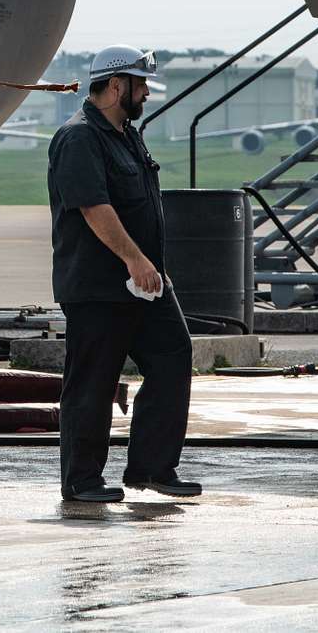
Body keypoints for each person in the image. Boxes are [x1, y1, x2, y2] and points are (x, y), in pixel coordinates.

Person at [46, 45, 198, 502]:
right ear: (116, 86)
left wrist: (155, 267)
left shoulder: (126, 134)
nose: (147, 93)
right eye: (141, 84)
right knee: (93, 381)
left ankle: (152, 468)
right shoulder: (78, 138)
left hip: (144, 283)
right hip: (98, 286)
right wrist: (134, 259)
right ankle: (81, 480)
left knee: (173, 354)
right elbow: (95, 208)